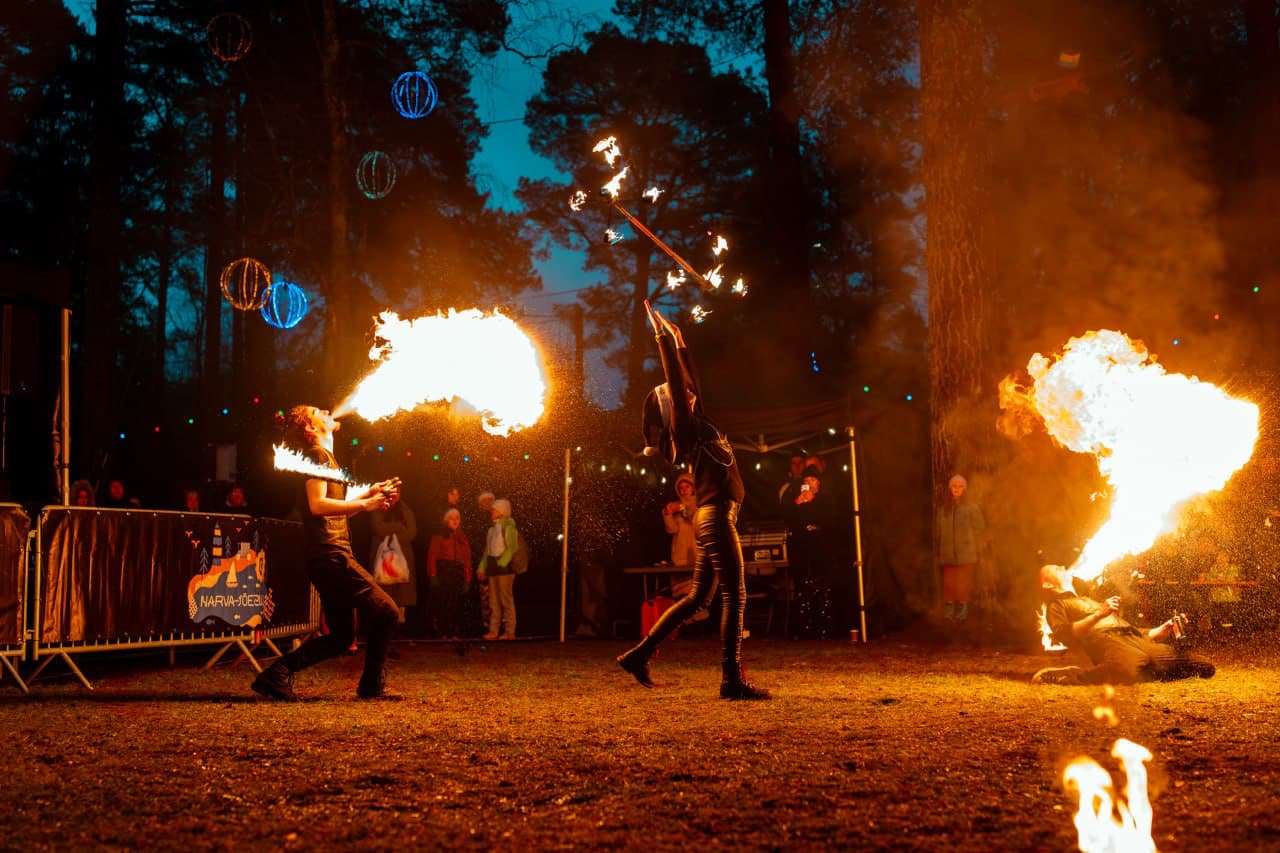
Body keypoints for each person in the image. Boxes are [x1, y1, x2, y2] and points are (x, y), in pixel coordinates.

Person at [617, 300, 770, 700]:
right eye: (680, 395)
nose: (688, 392)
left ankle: (639, 655)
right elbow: (677, 384)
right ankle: (730, 680)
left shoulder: (703, 422)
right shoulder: (685, 429)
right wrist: (660, 338)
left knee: (696, 598)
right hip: (715, 517)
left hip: (716, 517)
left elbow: (690, 379)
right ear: (676, 409)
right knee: (734, 596)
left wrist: (680, 338)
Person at [250, 405, 403, 701]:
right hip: (330, 555)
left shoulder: (327, 459)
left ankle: (276, 674)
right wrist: (364, 505)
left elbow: (336, 505)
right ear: (311, 428)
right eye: (316, 411)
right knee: (386, 612)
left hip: (328, 556)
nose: (325, 409)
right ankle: (371, 686)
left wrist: (370, 493)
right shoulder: (318, 455)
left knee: (342, 636)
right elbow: (317, 506)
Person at [1033, 564, 1215, 685]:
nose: (1063, 567)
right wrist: (1098, 614)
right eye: (1057, 568)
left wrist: (1163, 628)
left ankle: (1147, 669)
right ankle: (1070, 675)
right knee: (1127, 671)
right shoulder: (1057, 605)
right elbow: (1065, 634)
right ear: (1048, 584)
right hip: (1112, 644)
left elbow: (1133, 630)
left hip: (1138, 641)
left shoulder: (1089, 600)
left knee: (1204, 666)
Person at [936, 474, 985, 625]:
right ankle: (949, 610)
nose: (957, 489)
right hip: (948, 553)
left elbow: (980, 527)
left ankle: (962, 610)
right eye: (954, 486)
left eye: (960, 486)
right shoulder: (943, 508)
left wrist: (970, 543)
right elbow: (938, 530)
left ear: (965, 489)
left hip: (966, 553)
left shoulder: (971, 508)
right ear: (950, 489)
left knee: (964, 583)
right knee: (949, 583)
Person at [478, 498, 525, 640]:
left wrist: (502, 563)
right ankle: (494, 630)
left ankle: (510, 631)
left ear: (502, 511)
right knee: (493, 601)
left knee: (506, 599)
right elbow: (487, 551)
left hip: (504, 569)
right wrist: (482, 568)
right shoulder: (491, 530)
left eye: (494, 509)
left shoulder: (509, 528)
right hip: (493, 567)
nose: (492, 512)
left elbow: (512, 548)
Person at [368, 497, 418, 629]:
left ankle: (399, 626)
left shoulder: (406, 510)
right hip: (383, 558)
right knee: (385, 593)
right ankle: (385, 625)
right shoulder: (379, 507)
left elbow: (411, 532)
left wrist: (391, 535)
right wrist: (399, 526)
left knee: (402, 593)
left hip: (402, 557)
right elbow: (377, 528)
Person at [427, 508, 472, 639]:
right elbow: (432, 556)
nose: (455, 520)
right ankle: (443, 632)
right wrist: (432, 575)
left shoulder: (462, 537)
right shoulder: (439, 536)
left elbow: (467, 559)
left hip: (457, 573)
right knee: (443, 603)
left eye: (457, 518)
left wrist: (468, 579)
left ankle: (453, 632)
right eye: (452, 518)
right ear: (446, 520)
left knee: (455, 603)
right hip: (444, 572)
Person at [662, 471, 697, 567]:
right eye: (681, 488)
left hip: (698, 557)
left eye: (687, 487)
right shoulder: (675, 506)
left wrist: (682, 508)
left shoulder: (701, 504)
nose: (684, 490)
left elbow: (694, 520)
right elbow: (672, 529)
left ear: (693, 488)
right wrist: (667, 514)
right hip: (679, 558)